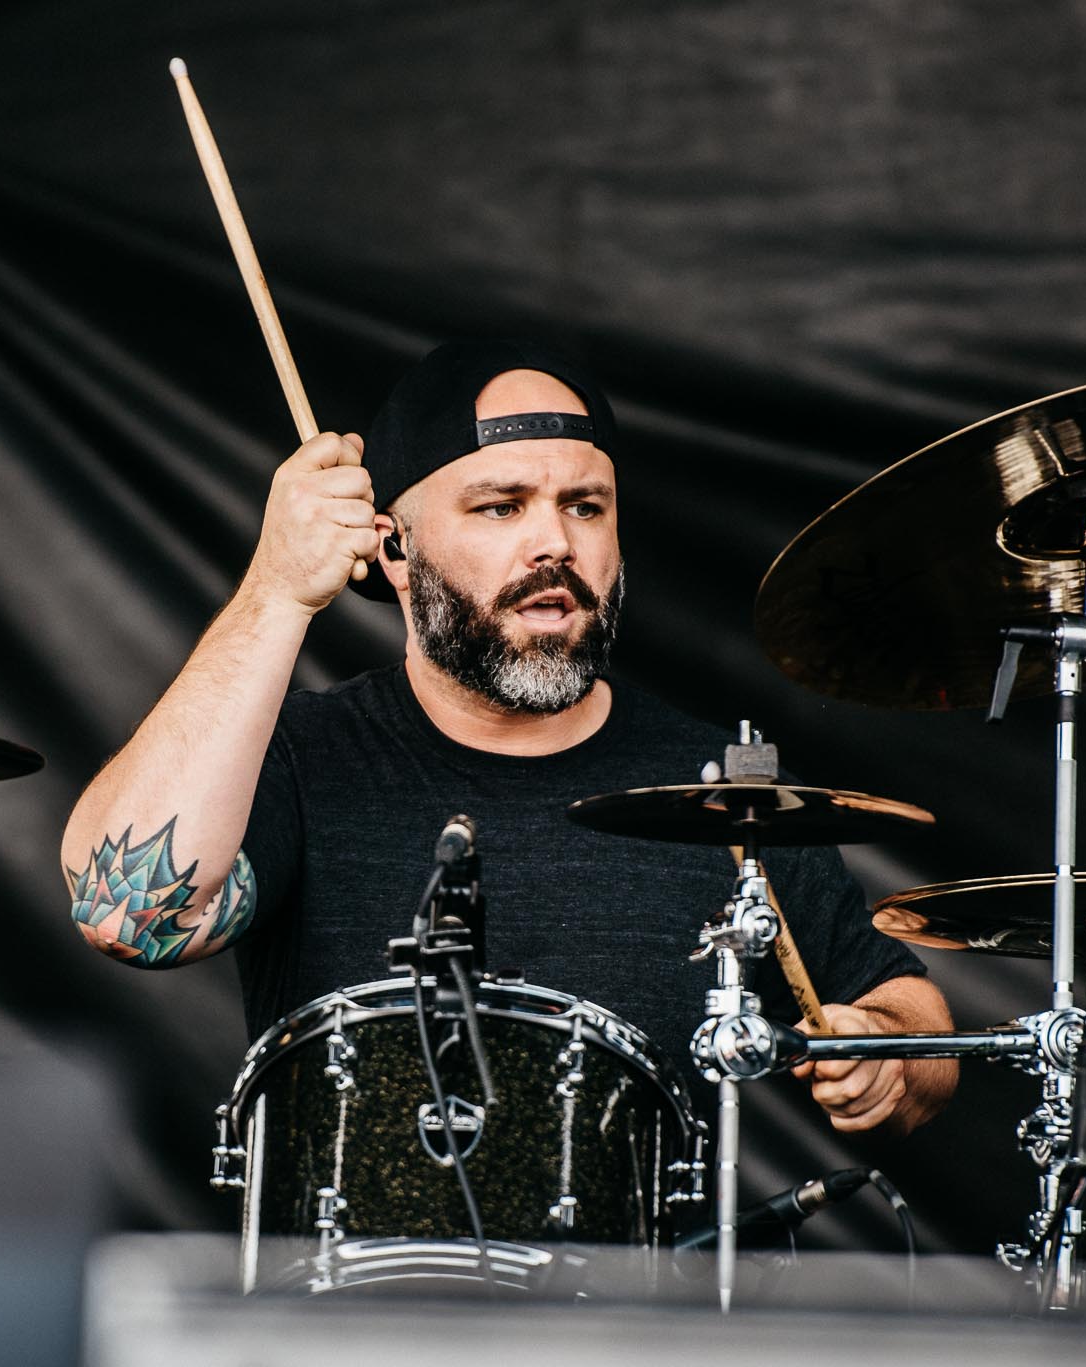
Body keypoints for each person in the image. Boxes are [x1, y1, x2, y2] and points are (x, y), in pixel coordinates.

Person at [61, 339, 955, 1135]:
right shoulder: (298, 756)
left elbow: (913, 1013)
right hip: (348, 1280)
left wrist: (884, 1047)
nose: (553, 542)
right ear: (395, 550)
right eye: (501, 506)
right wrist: (275, 591)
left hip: (647, 1277)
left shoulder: (722, 787)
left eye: (585, 505)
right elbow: (126, 919)